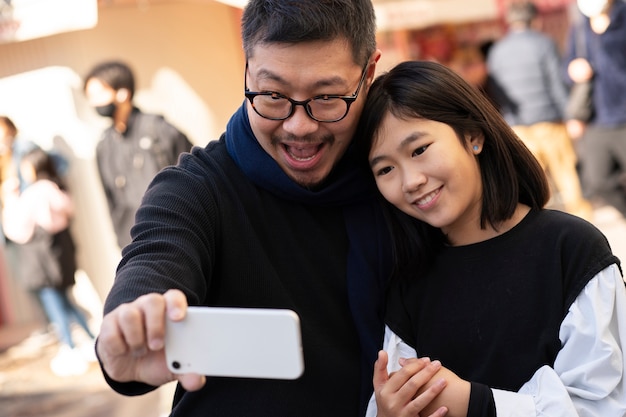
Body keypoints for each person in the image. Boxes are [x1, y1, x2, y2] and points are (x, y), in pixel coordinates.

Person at [94, 2, 432, 416]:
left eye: (326, 97)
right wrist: (133, 320)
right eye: (273, 95)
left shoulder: (405, 181)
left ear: (369, 72)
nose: (298, 126)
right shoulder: (199, 188)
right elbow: (158, 255)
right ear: (247, 70)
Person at [356, 60, 626, 416]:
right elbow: (400, 392)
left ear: (473, 136)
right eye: (385, 169)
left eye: (419, 149)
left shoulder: (571, 249)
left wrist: (476, 403)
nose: (410, 181)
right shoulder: (408, 280)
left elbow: (602, 404)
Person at [487, 1, 592, 221]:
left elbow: (496, 91)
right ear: (536, 19)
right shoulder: (544, 44)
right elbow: (557, 84)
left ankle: (541, 226)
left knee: (533, 179)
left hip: (517, 126)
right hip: (549, 122)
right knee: (565, 173)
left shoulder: (497, 51)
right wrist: (571, 115)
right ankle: (582, 222)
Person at [2, 147, 96, 376]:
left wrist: (9, 199)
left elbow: (16, 230)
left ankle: (70, 349)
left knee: (55, 305)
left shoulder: (34, 192)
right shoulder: (55, 188)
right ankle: (94, 341)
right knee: (66, 302)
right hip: (58, 256)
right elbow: (62, 215)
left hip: (41, 261)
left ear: (34, 167)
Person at [83, 60, 194, 249]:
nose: (94, 102)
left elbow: (194, 178)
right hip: (137, 245)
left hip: (178, 235)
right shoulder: (104, 147)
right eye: (89, 97)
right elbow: (112, 203)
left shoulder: (159, 129)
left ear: (123, 92)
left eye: (99, 93)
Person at [564, 0, 626, 217]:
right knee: (599, 182)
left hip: (623, 115)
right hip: (596, 119)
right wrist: (573, 69)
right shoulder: (580, 25)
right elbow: (568, 65)